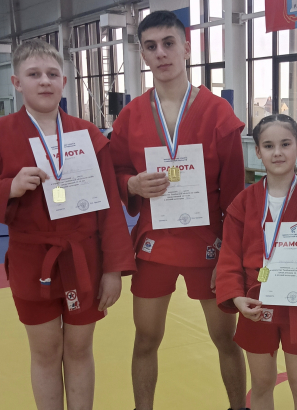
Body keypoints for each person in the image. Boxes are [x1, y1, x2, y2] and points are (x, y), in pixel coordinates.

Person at [0, 39, 136, 410]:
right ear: (17, 83)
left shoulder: (90, 136)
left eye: (51, 74)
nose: (44, 81)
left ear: (63, 81)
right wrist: (8, 188)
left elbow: (110, 206)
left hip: (84, 258)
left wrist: (114, 269)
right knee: (45, 352)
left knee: (80, 349)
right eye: (34, 74)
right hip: (32, 261)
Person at [108, 10, 247, 410]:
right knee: (146, 339)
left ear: (187, 47)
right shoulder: (130, 116)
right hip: (155, 243)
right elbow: (116, 172)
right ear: (142, 55)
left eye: (169, 43)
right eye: (151, 46)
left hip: (210, 245)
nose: (161, 53)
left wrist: (231, 256)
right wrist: (131, 185)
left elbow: (235, 196)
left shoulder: (218, 113)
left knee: (226, 339)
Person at [215, 114, 297, 410]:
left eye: (285, 144)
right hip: (256, 304)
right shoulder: (243, 203)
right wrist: (235, 297)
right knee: (261, 383)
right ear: (257, 151)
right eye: (268, 146)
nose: (277, 152)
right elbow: (230, 256)